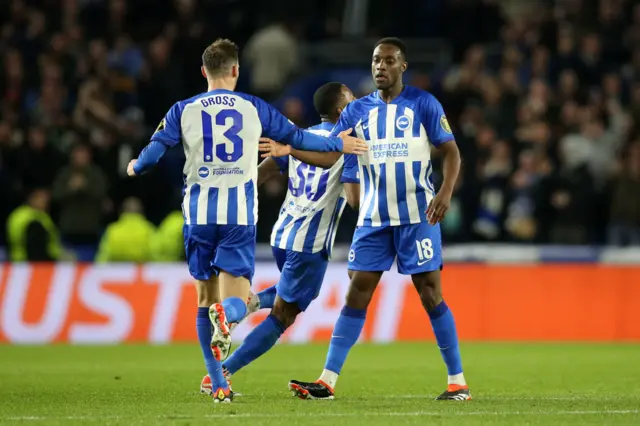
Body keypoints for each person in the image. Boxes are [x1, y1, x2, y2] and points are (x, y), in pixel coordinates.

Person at [126, 38, 367, 404]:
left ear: (204, 71)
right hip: (246, 219)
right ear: (237, 70)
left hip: (210, 218)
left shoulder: (182, 109)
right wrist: (341, 147)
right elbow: (300, 140)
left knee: (205, 301)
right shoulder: (255, 108)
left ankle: (218, 378)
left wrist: (135, 166)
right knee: (258, 307)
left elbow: (153, 153)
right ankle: (236, 316)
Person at [286, 38, 470, 401]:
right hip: (373, 219)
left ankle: (458, 382)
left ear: (403, 66)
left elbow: (451, 151)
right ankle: (327, 381)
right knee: (357, 292)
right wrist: (290, 148)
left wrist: (445, 192)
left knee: (431, 294)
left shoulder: (424, 104)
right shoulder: (356, 113)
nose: (380, 67)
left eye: (388, 60)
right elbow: (332, 154)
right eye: (375, 61)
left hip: (418, 215)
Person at [199, 82, 359, 395]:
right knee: (283, 316)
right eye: (351, 99)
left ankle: (243, 306)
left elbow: (265, 169)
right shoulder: (346, 145)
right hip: (309, 243)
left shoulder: (300, 137)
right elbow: (354, 200)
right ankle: (221, 370)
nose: (356, 104)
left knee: (290, 294)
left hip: (282, 234)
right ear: (341, 110)